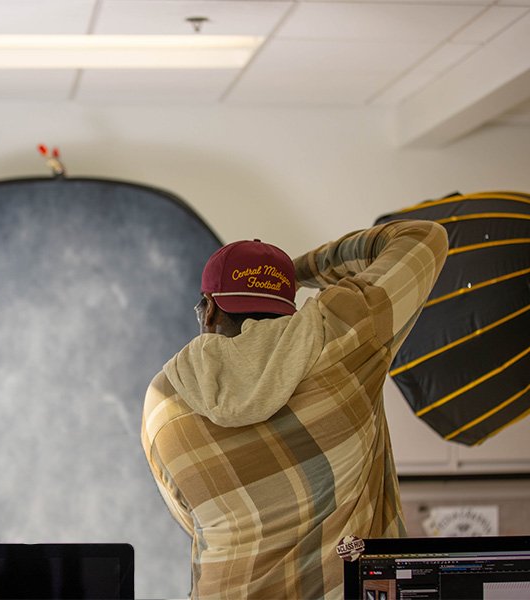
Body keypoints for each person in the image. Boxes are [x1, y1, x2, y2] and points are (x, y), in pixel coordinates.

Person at [141, 220, 448, 599]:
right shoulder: (344, 339)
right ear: (288, 309)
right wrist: (300, 270)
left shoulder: (164, 399)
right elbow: (423, 237)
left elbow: (191, 519)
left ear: (209, 312)